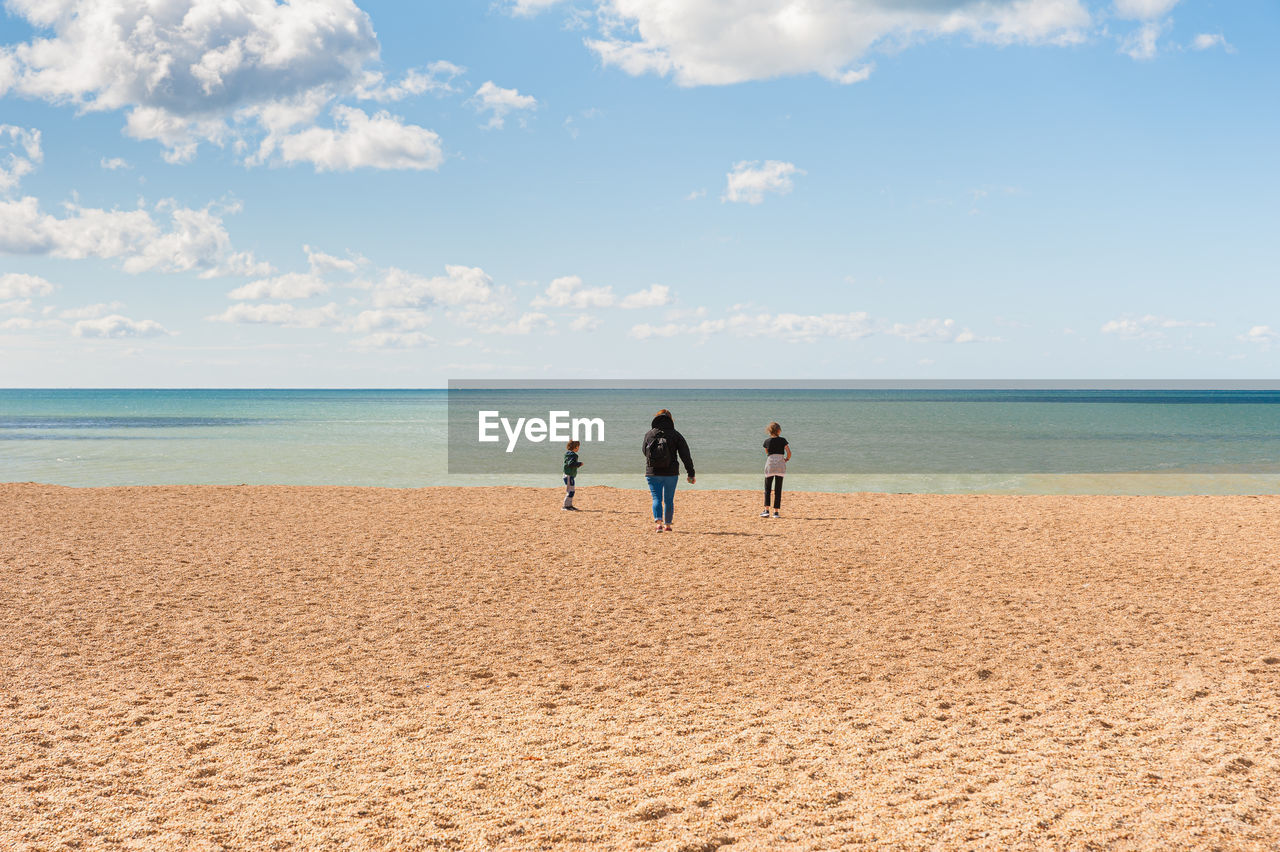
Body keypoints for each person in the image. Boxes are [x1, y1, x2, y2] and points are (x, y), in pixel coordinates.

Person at [642, 409, 695, 532]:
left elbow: (645, 452)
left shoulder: (649, 434)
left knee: (656, 498)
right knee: (669, 499)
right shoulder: (675, 434)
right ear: (670, 419)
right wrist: (690, 473)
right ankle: (668, 525)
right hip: (671, 472)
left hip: (652, 472)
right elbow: (685, 455)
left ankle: (658, 524)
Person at [761, 421, 791, 518]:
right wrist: (787, 459)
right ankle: (776, 512)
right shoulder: (783, 440)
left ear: (769, 431)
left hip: (770, 465)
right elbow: (789, 452)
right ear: (779, 431)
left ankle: (766, 510)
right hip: (780, 465)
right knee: (778, 489)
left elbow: (767, 452)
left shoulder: (766, 441)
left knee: (767, 489)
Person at [562, 440, 584, 511]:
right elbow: (570, 464)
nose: (578, 448)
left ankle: (569, 505)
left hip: (567, 475)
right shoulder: (573, 455)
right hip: (569, 475)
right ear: (575, 447)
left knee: (571, 491)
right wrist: (579, 464)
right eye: (578, 447)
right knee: (571, 491)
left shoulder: (567, 454)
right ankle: (566, 506)